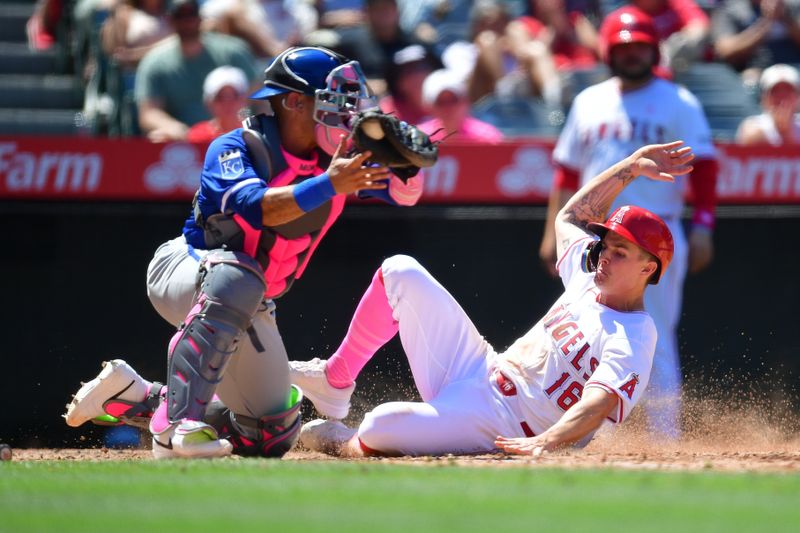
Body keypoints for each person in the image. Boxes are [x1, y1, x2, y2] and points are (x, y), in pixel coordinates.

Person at [64, 46, 425, 459]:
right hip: (186, 268)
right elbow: (258, 208)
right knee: (238, 274)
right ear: (293, 102)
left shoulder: (334, 158)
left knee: (269, 436)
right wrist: (330, 183)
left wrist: (407, 163)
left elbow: (405, 194)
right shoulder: (238, 146)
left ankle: (136, 396)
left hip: (251, 298)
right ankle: (176, 427)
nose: (346, 114)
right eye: (334, 101)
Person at [293, 140, 692, 457]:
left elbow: (599, 403)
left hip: (504, 423)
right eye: (607, 244)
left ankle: (345, 445)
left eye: (621, 252)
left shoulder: (635, 334)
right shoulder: (588, 280)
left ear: (648, 269)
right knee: (400, 270)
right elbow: (569, 217)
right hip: (481, 367)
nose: (605, 253)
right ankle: (336, 378)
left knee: (379, 423)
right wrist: (631, 166)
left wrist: (547, 441)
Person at [538, 6, 719, 440]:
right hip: (596, 235)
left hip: (653, 237)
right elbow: (565, 172)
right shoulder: (588, 100)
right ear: (607, 51)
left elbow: (707, 167)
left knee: (650, 334)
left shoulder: (678, 100)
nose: (632, 53)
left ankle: (664, 437)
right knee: (583, 334)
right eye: (624, 46)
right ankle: (593, 436)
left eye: (640, 45)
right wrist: (551, 233)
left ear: (653, 48)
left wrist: (704, 226)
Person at [134, 0, 258, 142]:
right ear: (170, 20)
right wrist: (179, 131)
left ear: (200, 18)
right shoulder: (155, 62)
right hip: (186, 142)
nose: (187, 21)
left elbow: (257, 98)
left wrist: (244, 122)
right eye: (180, 15)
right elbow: (148, 112)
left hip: (237, 135)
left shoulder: (233, 52)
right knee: (157, 138)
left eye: (191, 14)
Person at [712, 0, 800, 83]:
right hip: (753, 75)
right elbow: (724, 51)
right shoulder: (731, 8)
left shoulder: (794, 6)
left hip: (795, 70)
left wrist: (785, 18)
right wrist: (767, 21)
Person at [416, 68, 504, 143]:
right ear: (429, 106)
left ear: (465, 101)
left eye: (453, 100)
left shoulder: (487, 137)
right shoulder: (419, 139)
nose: (448, 108)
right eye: (440, 102)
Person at [736, 62, 800, 144]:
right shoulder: (752, 126)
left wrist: (787, 132)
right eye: (775, 91)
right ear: (764, 98)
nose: (782, 97)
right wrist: (782, 131)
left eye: (788, 90)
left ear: (798, 97)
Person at [187, 65, 249, 143]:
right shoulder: (197, 136)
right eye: (220, 97)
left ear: (244, 99)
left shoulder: (254, 133)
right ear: (208, 103)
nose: (228, 103)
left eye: (235, 95)